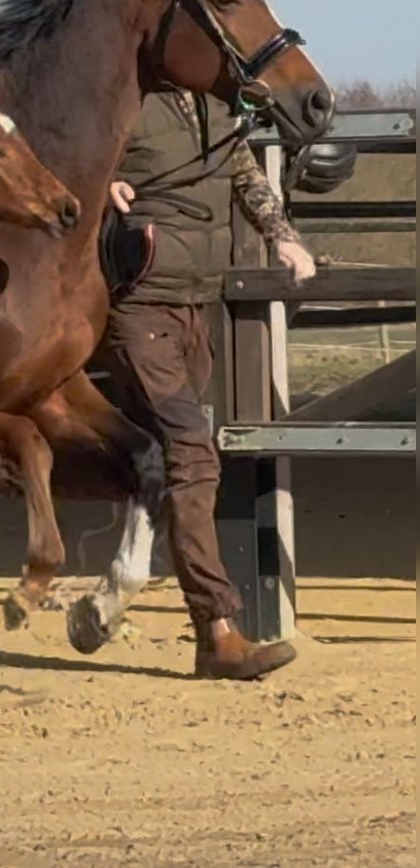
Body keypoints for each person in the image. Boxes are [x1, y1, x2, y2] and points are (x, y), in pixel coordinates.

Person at [101, 88, 319, 680]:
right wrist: (99, 188)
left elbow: (244, 172)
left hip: (197, 307)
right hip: (140, 310)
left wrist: (282, 235)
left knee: (160, 456)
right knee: (196, 458)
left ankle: (113, 584)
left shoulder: (216, 105)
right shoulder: (125, 98)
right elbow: (64, 158)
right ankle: (217, 632)